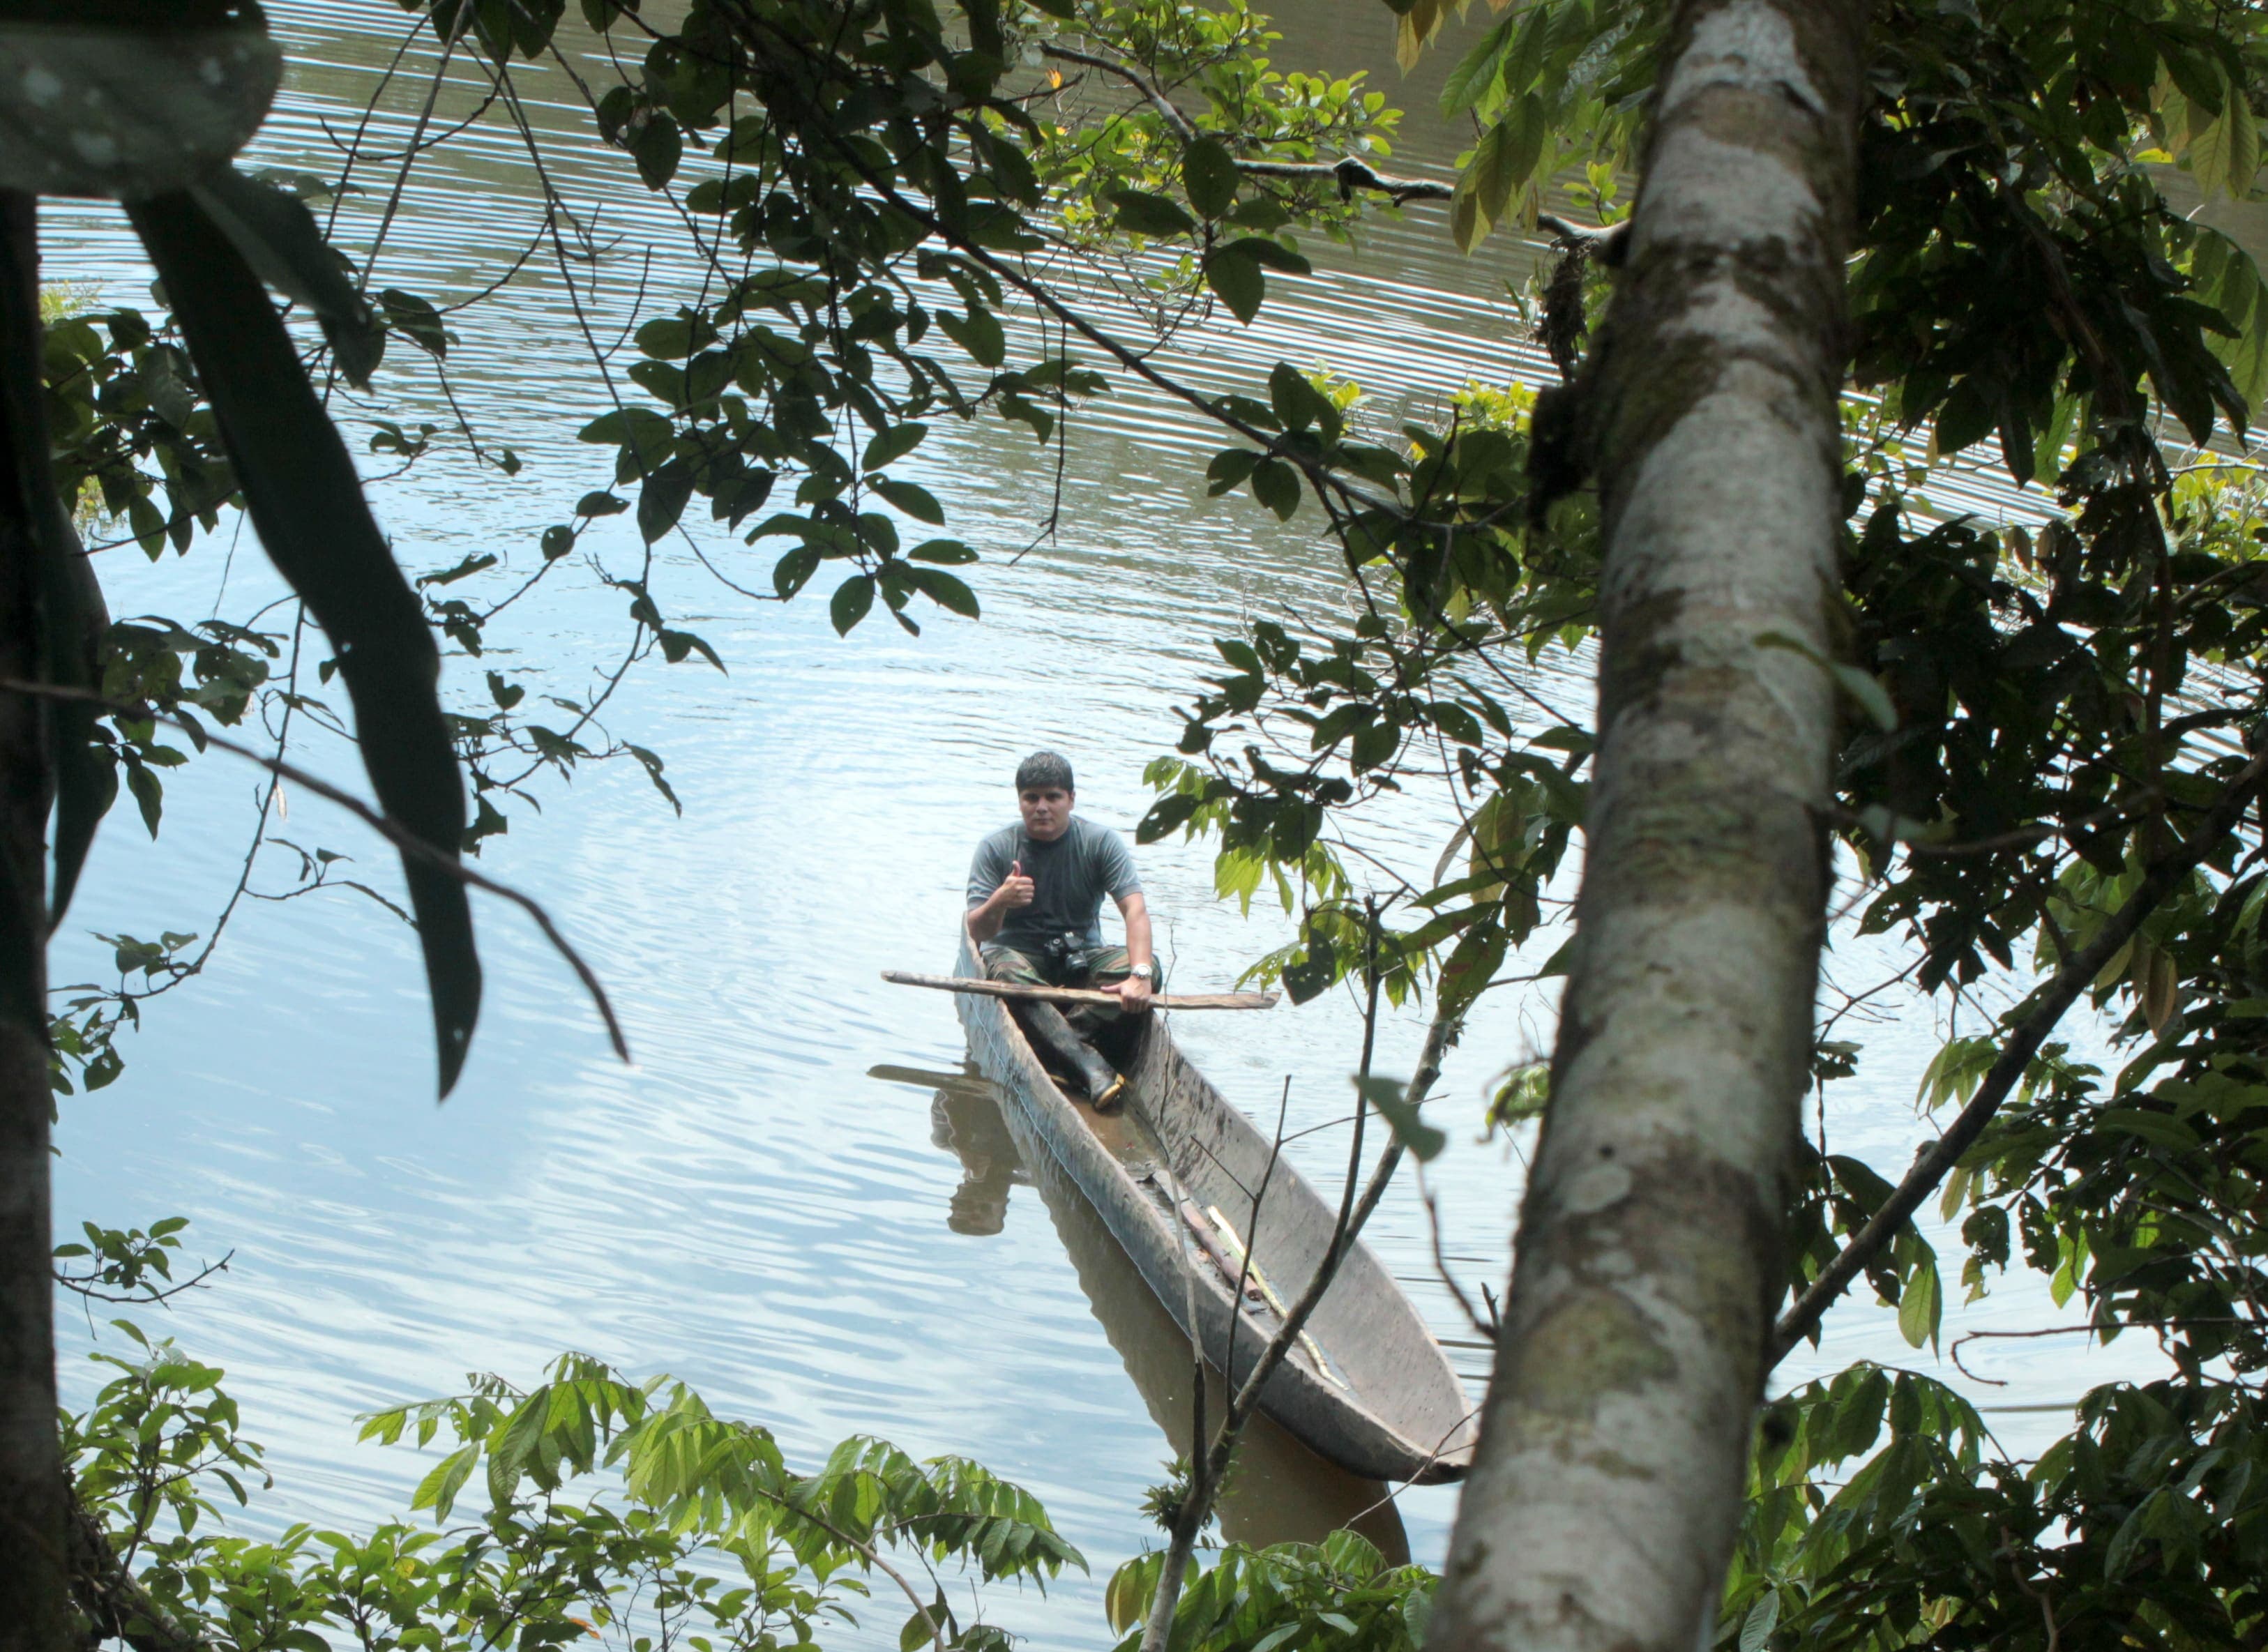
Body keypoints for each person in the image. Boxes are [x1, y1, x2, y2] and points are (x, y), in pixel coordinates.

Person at [967, 750, 1161, 1109]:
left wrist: (1141, 975)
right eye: (1031, 798)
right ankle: (1088, 1064)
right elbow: (977, 932)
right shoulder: (995, 848)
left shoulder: (1100, 842)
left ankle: (1054, 1042)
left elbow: (1135, 910)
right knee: (1007, 975)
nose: (1042, 807)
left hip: (1078, 962)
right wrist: (1001, 900)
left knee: (1147, 965)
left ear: (1071, 800)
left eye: (1053, 797)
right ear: (1020, 801)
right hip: (1017, 963)